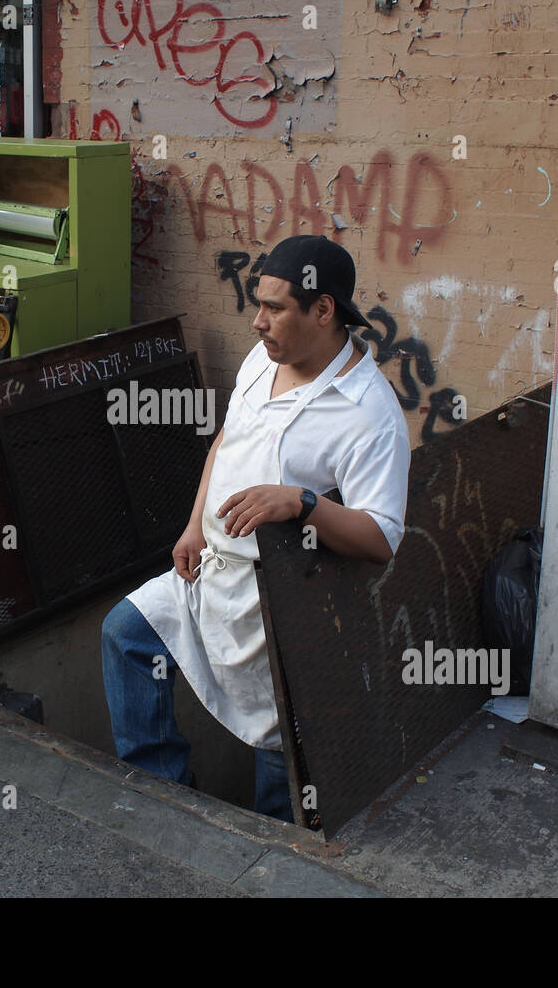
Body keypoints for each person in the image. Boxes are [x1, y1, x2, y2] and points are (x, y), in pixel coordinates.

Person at [101, 235, 411, 822]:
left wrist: (300, 501)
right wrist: (194, 525)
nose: (257, 323)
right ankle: (162, 797)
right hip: (208, 569)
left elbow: (380, 538)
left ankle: (267, 851)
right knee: (126, 634)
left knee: (276, 744)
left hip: (274, 602)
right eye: (258, 304)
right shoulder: (262, 360)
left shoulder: (369, 413)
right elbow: (227, 441)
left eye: (274, 308)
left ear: (323, 311)